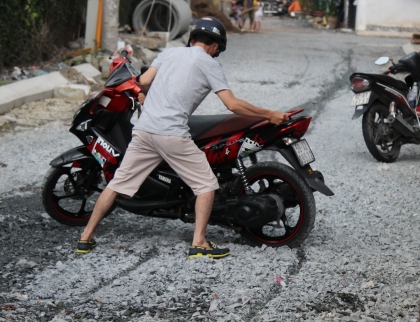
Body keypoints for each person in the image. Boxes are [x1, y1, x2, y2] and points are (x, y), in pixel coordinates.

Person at [77, 17, 290, 259]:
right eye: (217, 49)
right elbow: (232, 104)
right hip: (172, 133)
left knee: (116, 184)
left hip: (145, 129)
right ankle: (199, 242)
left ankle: (85, 237)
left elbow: (144, 81)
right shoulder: (209, 64)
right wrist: (269, 114)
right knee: (206, 184)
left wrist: (149, 97)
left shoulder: (169, 53)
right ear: (215, 46)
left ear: (192, 38)